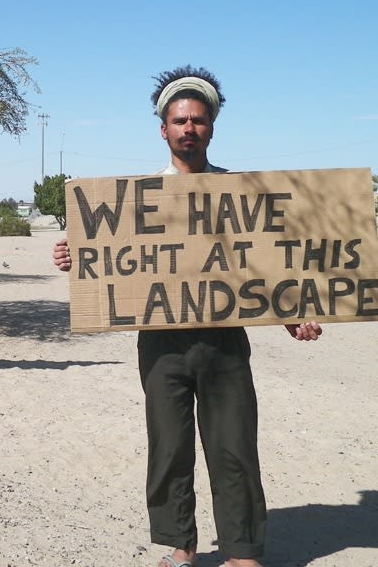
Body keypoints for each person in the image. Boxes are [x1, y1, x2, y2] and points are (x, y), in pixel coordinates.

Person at [52, 65, 322, 567]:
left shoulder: (240, 191)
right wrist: (77, 257)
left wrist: (294, 313)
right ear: (164, 130)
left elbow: (264, 262)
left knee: (234, 448)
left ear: (211, 127)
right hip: (160, 343)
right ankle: (181, 545)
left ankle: (242, 550)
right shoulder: (135, 198)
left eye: (198, 120)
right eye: (179, 121)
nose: (188, 129)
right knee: (170, 448)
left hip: (224, 342)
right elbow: (109, 258)